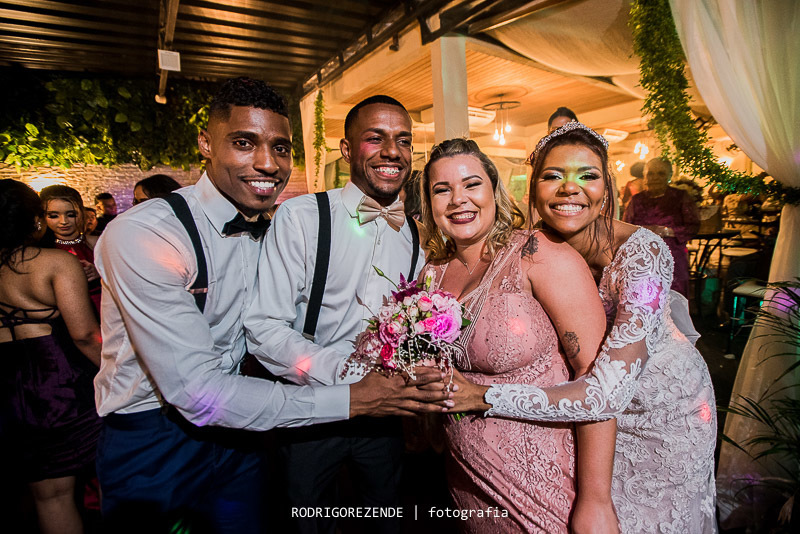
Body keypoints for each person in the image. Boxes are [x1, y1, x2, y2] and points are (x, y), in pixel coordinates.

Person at [94, 79, 449, 533]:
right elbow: (202, 387)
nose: (266, 162)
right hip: (159, 431)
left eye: (280, 149)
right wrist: (355, 391)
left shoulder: (284, 224)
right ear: (205, 143)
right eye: (244, 143)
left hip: (251, 427)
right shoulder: (149, 234)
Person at [448, 122, 717, 533]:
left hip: (665, 415)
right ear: (532, 188)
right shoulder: (530, 248)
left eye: (587, 176)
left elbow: (608, 391)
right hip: (594, 418)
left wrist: (482, 396)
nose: (569, 188)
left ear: (606, 189)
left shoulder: (643, 256)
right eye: (553, 176)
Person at [245, 95, 425, 534]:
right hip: (311, 410)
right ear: (347, 150)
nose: (392, 151)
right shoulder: (303, 218)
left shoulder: (415, 232)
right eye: (374, 138)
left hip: (384, 418)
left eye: (402, 140)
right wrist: (349, 379)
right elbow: (263, 326)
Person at [417, 138, 617, 533]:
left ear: (495, 191)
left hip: (543, 484)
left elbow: (600, 387)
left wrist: (596, 500)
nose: (459, 200)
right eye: (442, 190)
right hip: (466, 480)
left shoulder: (539, 254)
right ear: (429, 204)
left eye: (472, 184)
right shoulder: (431, 273)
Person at [0, 179, 102, 534]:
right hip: (57, 384)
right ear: (35, 220)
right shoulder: (54, 262)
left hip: (8, 385)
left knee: (47, 497)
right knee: (98, 478)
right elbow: (85, 334)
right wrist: (117, 375)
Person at [622, 157, 700, 297]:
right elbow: (625, 228)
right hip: (643, 258)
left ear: (669, 176)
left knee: (673, 299)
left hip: (672, 257)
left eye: (661, 173)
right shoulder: (637, 200)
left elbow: (693, 226)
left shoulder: (680, 197)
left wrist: (667, 231)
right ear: (645, 176)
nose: (655, 178)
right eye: (651, 174)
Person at [39, 185, 101, 316]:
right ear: (43, 216)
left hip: (104, 311)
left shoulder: (99, 243)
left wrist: (100, 273)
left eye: (71, 215)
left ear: (81, 212)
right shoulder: (40, 251)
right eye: (54, 215)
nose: (64, 221)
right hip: (65, 316)